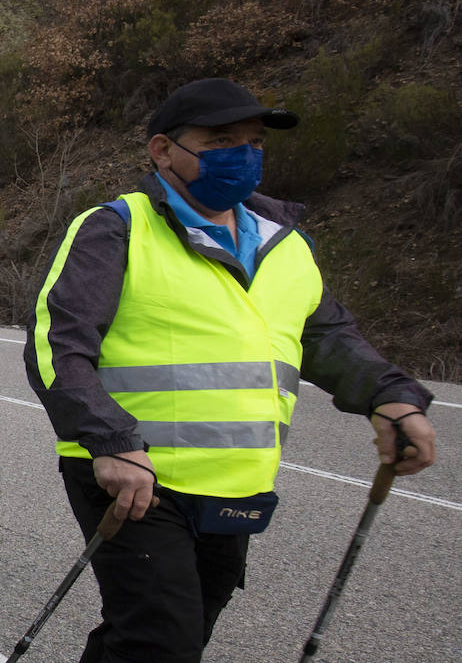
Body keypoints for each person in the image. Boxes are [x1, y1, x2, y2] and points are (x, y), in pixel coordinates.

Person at [24, 78, 438, 663]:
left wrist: (390, 396)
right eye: (221, 140)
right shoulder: (116, 227)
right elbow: (57, 345)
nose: (243, 155)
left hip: (236, 486)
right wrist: (109, 440)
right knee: (158, 639)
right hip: (135, 476)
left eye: (253, 143)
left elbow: (325, 334)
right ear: (163, 150)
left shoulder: (284, 243)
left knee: (180, 637)